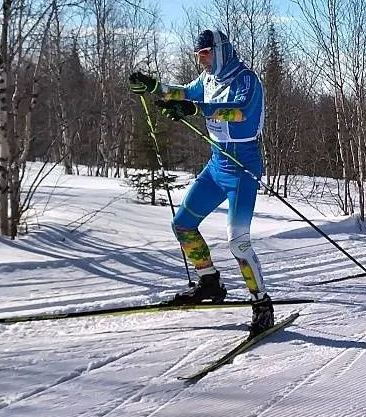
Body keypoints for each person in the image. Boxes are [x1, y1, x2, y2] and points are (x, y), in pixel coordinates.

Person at [128, 29, 273, 336]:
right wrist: (153, 86)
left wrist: (196, 109)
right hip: (217, 166)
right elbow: (182, 92)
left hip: (242, 169)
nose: (202, 61)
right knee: (182, 225)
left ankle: (262, 303)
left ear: (219, 51)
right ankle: (209, 281)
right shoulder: (208, 80)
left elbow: (240, 112)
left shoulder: (246, 79)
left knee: (238, 241)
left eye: (205, 54)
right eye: (198, 56)